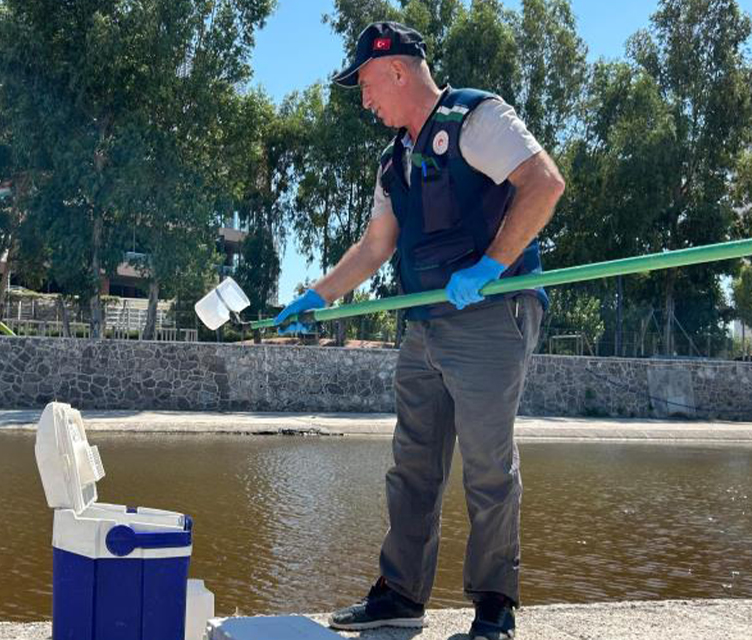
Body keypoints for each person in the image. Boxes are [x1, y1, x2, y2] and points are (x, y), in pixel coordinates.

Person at [273, 22, 565, 640]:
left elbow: (544, 184)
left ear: (398, 71)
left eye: (367, 86)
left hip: (490, 313)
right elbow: (377, 245)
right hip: (424, 320)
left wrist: (490, 266)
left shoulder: (476, 119)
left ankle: (493, 604)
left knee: (488, 463)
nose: (364, 100)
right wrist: (317, 296)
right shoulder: (393, 163)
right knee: (412, 463)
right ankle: (400, 593)